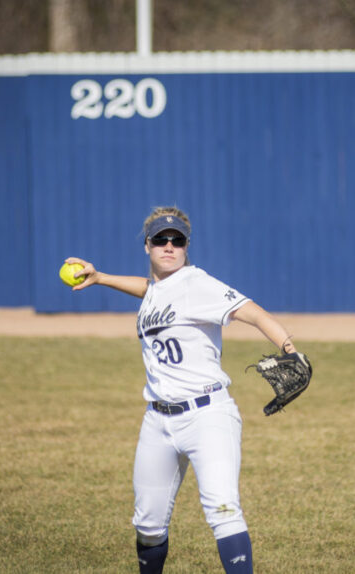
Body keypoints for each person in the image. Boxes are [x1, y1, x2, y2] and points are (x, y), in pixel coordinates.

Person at [65, 206, 301, 574]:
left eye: (178, 240)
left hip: (208, 416)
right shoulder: (158, 290)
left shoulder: (197, 284)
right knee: (148, 525)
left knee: (223, 510)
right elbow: (150, 290)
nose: (169, 246)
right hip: (157, 422)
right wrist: (101, 277)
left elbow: (251, 311)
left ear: (187, 246)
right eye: (161, 239)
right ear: (148, 246)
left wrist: (289, 347)